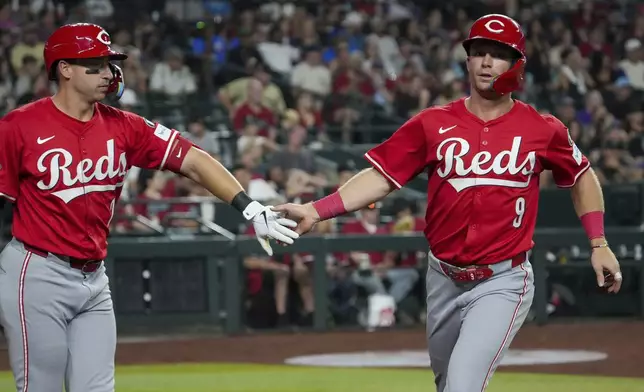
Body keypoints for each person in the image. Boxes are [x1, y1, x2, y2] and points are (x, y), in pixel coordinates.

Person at [275, 14, 622, 392]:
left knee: (461, 386)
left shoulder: (543, 128)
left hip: (502, 279)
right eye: (479, 52)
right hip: (442, 276)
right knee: (447, 386)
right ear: (468, 60)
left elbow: (583, 175)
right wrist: (315, 209)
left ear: (517, 63)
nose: (487, 62)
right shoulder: (432, 123)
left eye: (498, 54)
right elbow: (381, 177)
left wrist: (598, 242)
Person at [0, 23, 299, 392]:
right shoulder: (19, 126)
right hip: (37, 271)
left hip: (94, 279)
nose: (108, 72)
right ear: (65, 69)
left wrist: (250, 208)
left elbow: (193, 160)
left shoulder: (125, 126)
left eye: (109, 63)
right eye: (95, 63)